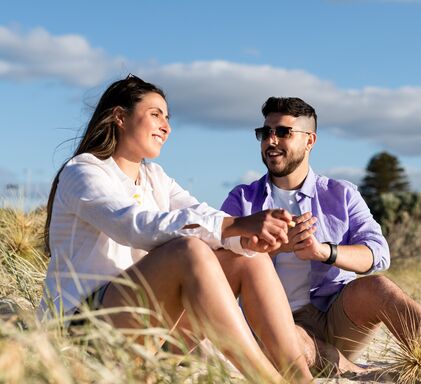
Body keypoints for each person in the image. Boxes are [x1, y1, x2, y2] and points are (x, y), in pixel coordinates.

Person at [39, 75, 312, 383]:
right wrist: (234, 224)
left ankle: (301, 378)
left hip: (147, 328)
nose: (166, 126)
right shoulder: (84, 170)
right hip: (82, 329)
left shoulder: (155, 176)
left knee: (249, 258)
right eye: (156, 114)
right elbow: (133, 226)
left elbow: (198, 213)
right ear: (119, 116)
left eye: (168, 118)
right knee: (188, 250)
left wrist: (247, 238)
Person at [221, 97, 421, 384]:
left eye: (283, 132)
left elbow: (378, 253)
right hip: (275, 322)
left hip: (333, 315)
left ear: (309, 140)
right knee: (288, 336)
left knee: (378, 287)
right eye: (265, 133)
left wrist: (323, 251)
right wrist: (277, 245)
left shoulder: (341, 194)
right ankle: (355, 371)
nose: (271, 140)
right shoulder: (242, 199)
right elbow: (219, 255)